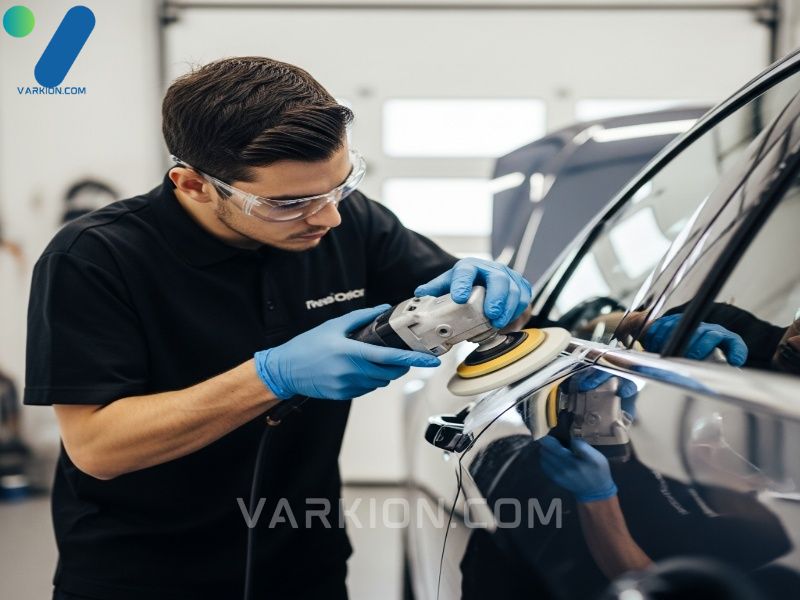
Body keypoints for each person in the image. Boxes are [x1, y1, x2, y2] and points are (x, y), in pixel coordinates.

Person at [24, 56, 532, 600]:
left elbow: (475, 306)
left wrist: (495, 295)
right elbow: (99, 448)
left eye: (341, 184)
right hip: (142, 574)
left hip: (302, 561)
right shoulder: (95, 259)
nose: (327, 218)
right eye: (287, 203)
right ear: (194, 184)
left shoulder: (352, 222)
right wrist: (272, 376)